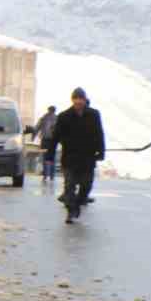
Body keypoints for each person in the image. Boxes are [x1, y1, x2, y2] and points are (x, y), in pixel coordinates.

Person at [52, 88, 104, 222]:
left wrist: (101, 151)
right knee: (69, 185)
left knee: (86, 185)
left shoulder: (94, 114)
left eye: (81, 99)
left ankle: (78, 203)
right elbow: (56, 136)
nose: (78, 101)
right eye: (76, 99)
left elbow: (99, 133)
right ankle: (71, 210)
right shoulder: (64, 116)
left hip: (88, 157)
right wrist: (50, 153)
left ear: (84, 100)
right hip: (70, 157)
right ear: (73, 100)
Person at [33, 104, 59, 182]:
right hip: (53, 140)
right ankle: (51, 176)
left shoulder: (44, 118)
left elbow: (37, 127)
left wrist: (33, 137)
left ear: (49, 110)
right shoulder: (57, 118)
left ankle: (45, 175)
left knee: (45, 157)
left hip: (45, 140)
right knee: (52, 157)